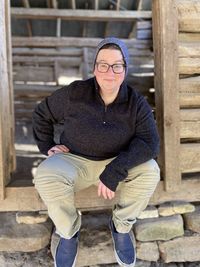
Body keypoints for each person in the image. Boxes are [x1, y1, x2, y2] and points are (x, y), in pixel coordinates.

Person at [32, 37, 160, 267]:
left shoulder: (136, 103)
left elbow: (150, 142)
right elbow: (42, 114)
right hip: (74, 161)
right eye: (103, 64)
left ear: (125, 69)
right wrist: (46, 145)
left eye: (117, 65)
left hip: (115, 162)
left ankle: (121, 227)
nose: (109, 72)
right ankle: (68, 232)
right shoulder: (75, 93)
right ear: (94, 68)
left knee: (150, 170)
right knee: (45, 173)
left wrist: (115, 170)